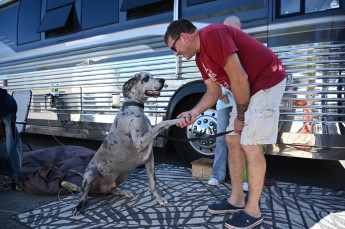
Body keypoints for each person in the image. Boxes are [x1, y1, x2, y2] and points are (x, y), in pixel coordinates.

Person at [164, 19, 286, 229]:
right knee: (231, 138)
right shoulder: (200, 58)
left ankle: (253, 211)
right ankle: (237, 199)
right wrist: (193, 112)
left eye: (173, 48)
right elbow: (214, 91)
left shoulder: (213, 35)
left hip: (266, 81)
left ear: (183, 37)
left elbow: (239, 77)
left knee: (250, 144)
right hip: (248, 87)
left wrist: (240, 118)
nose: (175, 54)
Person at [0, 88, 23, 189]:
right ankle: (14, 176)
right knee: (8, 142)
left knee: (10, 143)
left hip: (6, 107)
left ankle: (16, 178)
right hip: (7, 104)